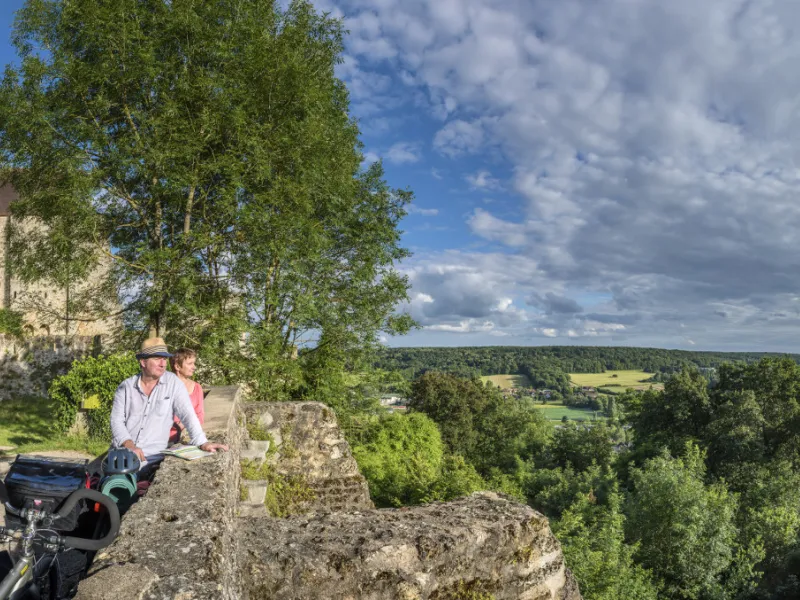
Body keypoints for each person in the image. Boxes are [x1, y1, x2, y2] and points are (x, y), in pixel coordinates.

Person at [110, 338, 227, 465]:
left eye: (164, 359)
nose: (163, 364)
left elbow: (188, 414)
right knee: (112, 482)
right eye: (157, 359)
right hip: (122, 454)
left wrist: (203, 442)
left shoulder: (173, 383)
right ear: (143, 362)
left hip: (152, 457)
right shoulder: (126, 386)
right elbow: (116, 420)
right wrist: (129, 445)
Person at [168, 348, 204, 444]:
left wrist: (183, 424)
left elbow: (199, 415)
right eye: (189, 363)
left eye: (194, 363)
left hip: (186, 438)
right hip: (163, 440)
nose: (194, 367)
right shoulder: (165, 387)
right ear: (177, 366)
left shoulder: (197, 388)